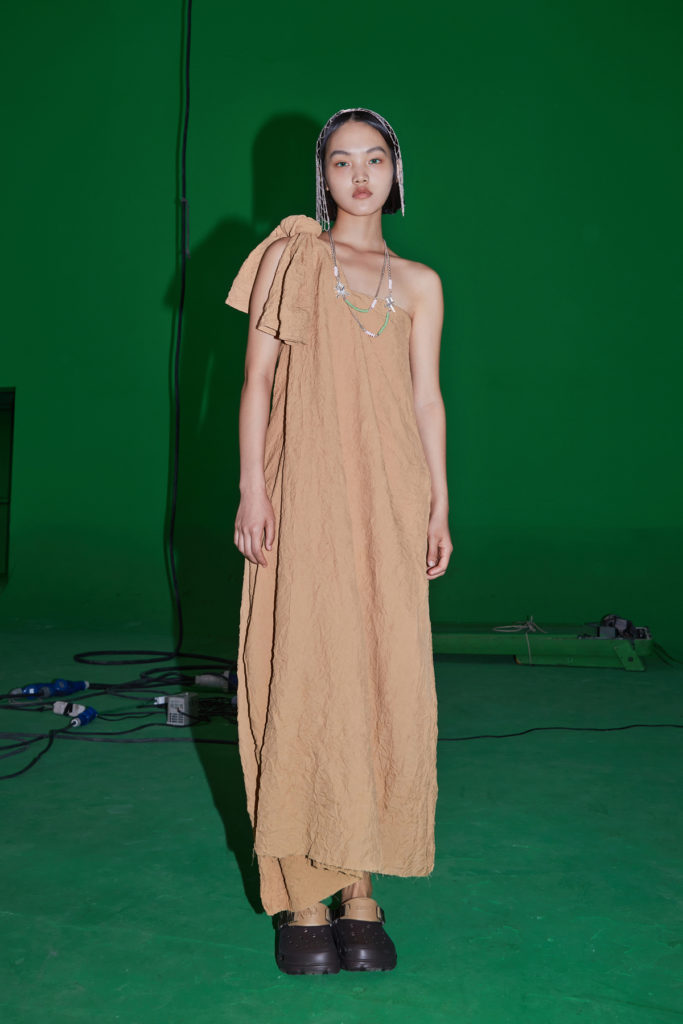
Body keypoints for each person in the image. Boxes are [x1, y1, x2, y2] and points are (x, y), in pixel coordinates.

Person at [226, 107, 452, 974]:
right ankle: (300, 894)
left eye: (375, 159)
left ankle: (359, 881)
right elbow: (255, 382)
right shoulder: (289, 257)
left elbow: (426, 399)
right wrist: (253, 488)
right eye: (342, 161)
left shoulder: (420, 282)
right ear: (321, 177)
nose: (360, 175)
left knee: (375, 678)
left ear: (396, 171)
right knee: (302, 670)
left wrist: (437, 505)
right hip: (303, 493)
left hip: (388, 499)